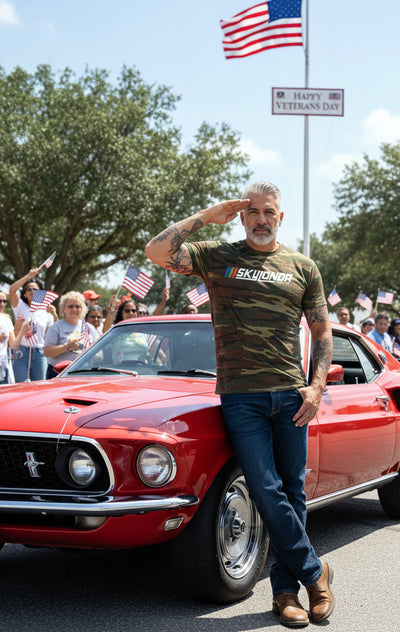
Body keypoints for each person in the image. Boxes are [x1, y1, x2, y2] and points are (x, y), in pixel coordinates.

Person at [145, 181, 334, 626]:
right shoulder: (217, 255)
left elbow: (322, 333)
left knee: (293, 492)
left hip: (292, 394)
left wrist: (317, 386)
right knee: (265, 491)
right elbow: (156, 251)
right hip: (242, 397)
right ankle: (315, 571)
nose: (261, 219)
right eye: (253, 212)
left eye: (269, 212)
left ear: (280, 218)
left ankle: (285, 593)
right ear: (242, 216)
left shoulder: (303, 267)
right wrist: (205, 217)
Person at [9, 269, 57, 382]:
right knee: (20, 387)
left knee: (39, 386)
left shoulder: (46, 311)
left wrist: (54, 315)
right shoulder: (20, 307)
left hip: (40, 353)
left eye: (35, 289)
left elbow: (51, 333)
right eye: (29, 289)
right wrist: (28, 276)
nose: (32, 291)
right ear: (25, 294)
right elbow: (12, 290)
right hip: (21, 352)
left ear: (41, 293)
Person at [44, 291, 98, 378]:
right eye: (70, 306)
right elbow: (47, 352)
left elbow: (99, 352)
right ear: (64, 309)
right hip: (59, 372)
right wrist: (66, 346)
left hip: (83, 372)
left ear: (83, 309)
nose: (74, 309)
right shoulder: (56, 327)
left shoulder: (89, 328)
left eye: (77, 306)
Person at [0, 291, 30, 384]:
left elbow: (13, 345)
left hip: (3, 366)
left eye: (4, 301)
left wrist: (22, 331)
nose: (2, 304)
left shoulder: (6, 320)